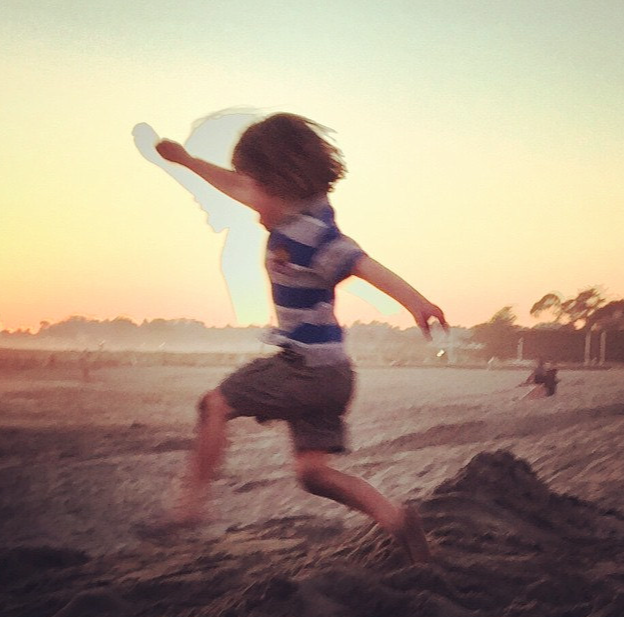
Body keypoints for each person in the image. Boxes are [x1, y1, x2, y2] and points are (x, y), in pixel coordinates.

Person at [154, 112, 448, 564]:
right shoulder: (293, 210)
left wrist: (417, 302)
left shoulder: (314, 235)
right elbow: (233, 184)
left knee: (214, 404)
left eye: (254, 188)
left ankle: (189, 509)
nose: (247, 200)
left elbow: (363, 264)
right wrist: (187, 160)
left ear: (279, 183)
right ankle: (396, 519)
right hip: (333, 374)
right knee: (313, 474)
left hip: (305, 369)